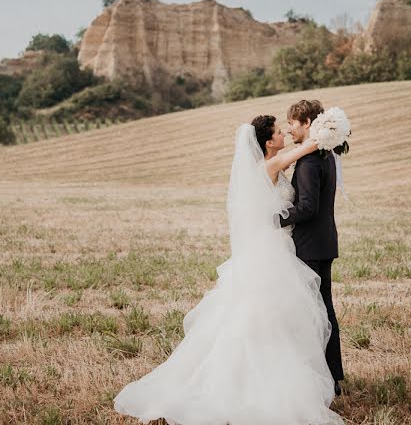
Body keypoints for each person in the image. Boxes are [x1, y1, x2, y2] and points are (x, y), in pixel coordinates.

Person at [114, 116, 343, 425]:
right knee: (268, 315)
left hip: (275, 247)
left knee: (270, 316)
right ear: (267, 142)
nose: (285, 133)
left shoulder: (272, 166)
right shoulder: (270, 166)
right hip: (273, 253)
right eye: (279, 131)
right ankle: (259, 380)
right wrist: (329, 128)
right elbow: (310, 146)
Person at [280, 100, 345, 396]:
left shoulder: (308, 162)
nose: (290, 128)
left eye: (293, 123)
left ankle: (320, 381)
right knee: (324, 311)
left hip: (308, 247)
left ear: (307, 123)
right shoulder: (326, 154)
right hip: (325, 242)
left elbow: (307, 207)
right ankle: (332, 377)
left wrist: (274, 218)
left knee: (313, 315)